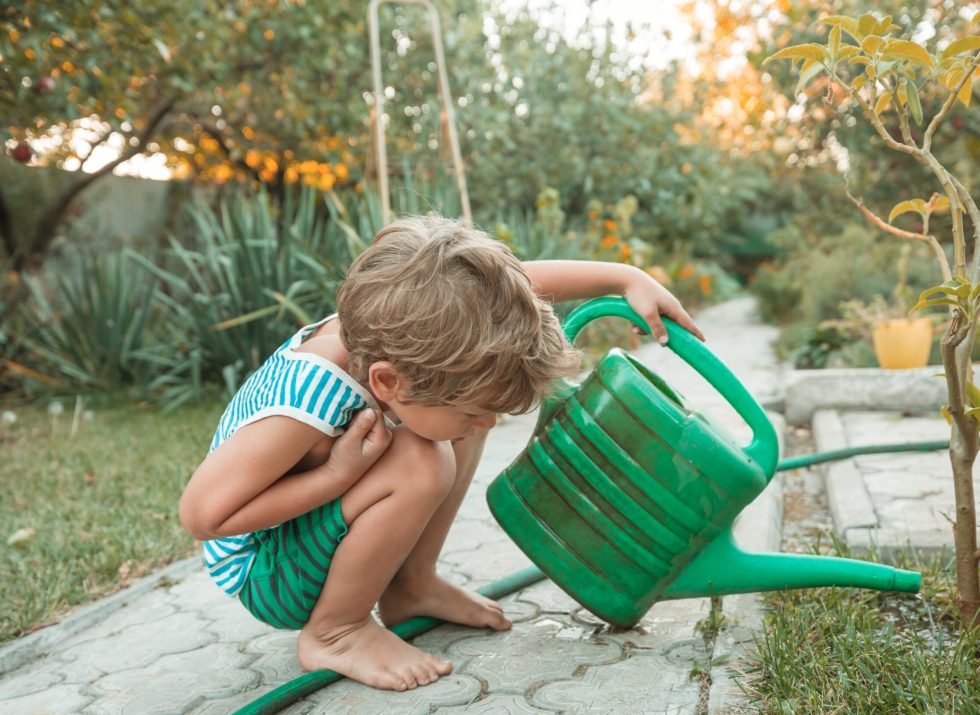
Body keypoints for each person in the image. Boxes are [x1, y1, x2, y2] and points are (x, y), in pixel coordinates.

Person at [179, 214, 703, 692]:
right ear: (386, 381)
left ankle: (411, 585)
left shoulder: (396, 324)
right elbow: (203, 516)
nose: (489, 424)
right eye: (481, 411)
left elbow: (508, 291)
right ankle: (335, 631)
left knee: (452, 425)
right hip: (264, 570)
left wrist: (625, 277)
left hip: (299, 534)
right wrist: (336, 476)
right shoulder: (307, 401)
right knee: (423, 460)